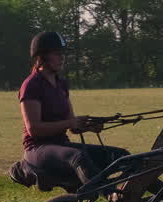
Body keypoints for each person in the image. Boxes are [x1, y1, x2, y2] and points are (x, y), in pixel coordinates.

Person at [18, 31, 128, 186]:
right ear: (42, 56)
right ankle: (111, 195)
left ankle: (157, 198)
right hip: (38, 149)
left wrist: (89, 126)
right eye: (57, 54)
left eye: (63, 54)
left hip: (61, 144)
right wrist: (71, 123)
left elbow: (73, 126)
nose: (62, 58)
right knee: (78, 157)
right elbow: (34, 129)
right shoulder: (31, 85)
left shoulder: (61, 84)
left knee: (123, 157)